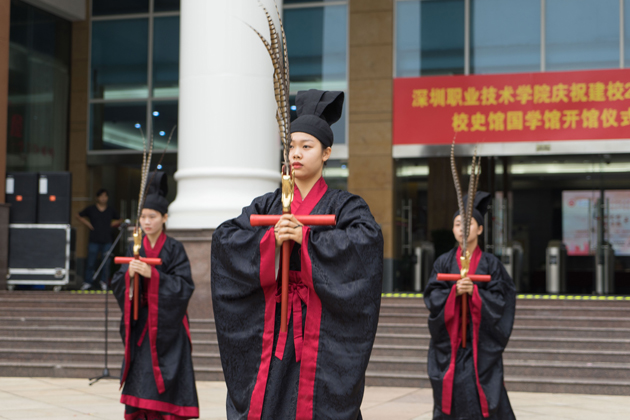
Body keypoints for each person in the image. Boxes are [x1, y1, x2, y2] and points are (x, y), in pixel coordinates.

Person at [212, 90, 383, 420]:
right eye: (291, 146)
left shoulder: (346, 206)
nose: (296, 154)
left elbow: (365, 246)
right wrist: (269, 242)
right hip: (272, 329)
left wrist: (306, 239)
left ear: (326, 153)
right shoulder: (266, 205)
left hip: (321, 334)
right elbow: (226, 240)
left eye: (307, 146)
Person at [111, 172, 199, 420]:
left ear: (165, 218)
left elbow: (185, 286)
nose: (146, 222)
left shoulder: (174, 248)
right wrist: (129, 275)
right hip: (142, 325)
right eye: (143, 217)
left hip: (169, 328)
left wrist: (152, 274)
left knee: (165, 387)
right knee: (141, 381)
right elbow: (118, 281)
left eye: (152, 216)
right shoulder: (134, 248)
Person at [424, 191, 516, 420]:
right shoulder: (443, 262)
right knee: (449, 393)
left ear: (481, 229)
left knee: (483, 393)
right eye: (457, 224)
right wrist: (454, 292)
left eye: (469, 223)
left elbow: (503, 300)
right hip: (451, 344)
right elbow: (433, 296)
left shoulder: (491, 264)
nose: (462, 228)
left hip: (480, 345)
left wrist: (475, 293)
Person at [77, 188, 122, 290]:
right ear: (97, 197)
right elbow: (78, 215)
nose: (103, 198)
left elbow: (120, 218)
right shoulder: (91, 209)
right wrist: (88, 224)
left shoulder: (110, 210)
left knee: (106, 262)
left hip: (107, 239)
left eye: (105, 196)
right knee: (91, 262)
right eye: (101, 196)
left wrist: (111, 224)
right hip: (94, 239)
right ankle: (88, 281)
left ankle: (104, 281)